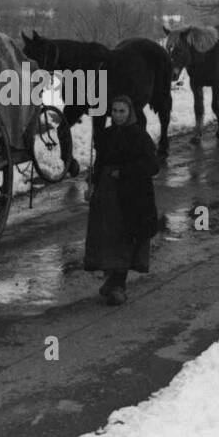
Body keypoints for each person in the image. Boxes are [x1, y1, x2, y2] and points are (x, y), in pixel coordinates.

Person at [83, 94, 160, 306]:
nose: (117, 115)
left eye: (122, 111)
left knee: (125, 238)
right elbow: (99, 163)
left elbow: (153, 166)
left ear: (130, 113)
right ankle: (111, 280)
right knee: (107, 238)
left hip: (131, 197)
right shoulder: (105, 136)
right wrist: (91, 183)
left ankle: (119, 285)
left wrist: (124, 172)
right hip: (106, 196)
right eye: (114, 111)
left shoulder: (140, 137)